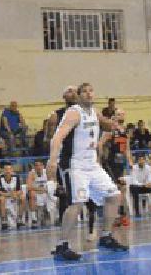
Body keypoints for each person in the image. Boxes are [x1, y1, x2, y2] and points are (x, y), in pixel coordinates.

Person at [47, 82, 128, 261]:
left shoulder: (94, 111)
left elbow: (105, 124)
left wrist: (115, 122)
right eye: (85, 91)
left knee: (114, 196)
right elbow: (57, 137)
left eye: (91, 90)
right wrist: (52, 161)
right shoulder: (74, 113)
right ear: (78, 95)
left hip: (92, 165)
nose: (89, 94)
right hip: (75, 165)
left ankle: (106, 236)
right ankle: (62, 245)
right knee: (77, 203)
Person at [0, 164, 26, 230]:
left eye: (9, 169)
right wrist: (11, 194)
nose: (7, 171)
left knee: (23, 197)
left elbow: (20, 191)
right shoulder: (0, 178)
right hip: (5, 196)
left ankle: (19, 219)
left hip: (13, 195)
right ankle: (4, 221)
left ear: (12, 170)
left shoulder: (16, 177)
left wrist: (15, 194)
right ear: (3, 170)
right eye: (6, 169)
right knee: (1, 199)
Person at [26, 160, 51, 228]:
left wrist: (46, 190)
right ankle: (34, 219)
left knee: (54, 193)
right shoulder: (31, 173)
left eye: (40, 165)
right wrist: (41, 190)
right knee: (31, 194)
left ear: (43, 166)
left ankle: (48, 214)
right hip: (36, 193)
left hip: (46, 193)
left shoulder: (47, 172)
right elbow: (29, 187)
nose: (38, 167)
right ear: (34, 167)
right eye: (36, 165)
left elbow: (53, 184)